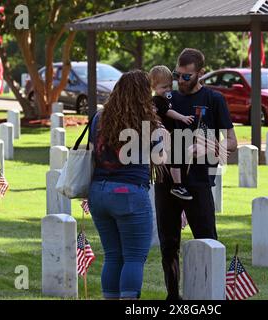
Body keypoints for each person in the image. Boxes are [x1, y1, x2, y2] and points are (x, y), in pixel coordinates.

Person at [155, 48, 238, 300]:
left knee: (207, 239)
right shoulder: (166, 97)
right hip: (166, 181)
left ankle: (211, 295)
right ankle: (173, 297)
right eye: (177, 74)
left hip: (199, 182)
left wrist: (209, 146)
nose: (180, 81)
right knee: (169, 245)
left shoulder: (214, 99)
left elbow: (233, 142)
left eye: (186, 77)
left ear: (201, 73)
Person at [87, 70, 165, 300]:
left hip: (98, 191)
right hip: (129, 193)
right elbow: (160, 157)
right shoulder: (148, 121)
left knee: (112, 256)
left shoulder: (99, 119)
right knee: (133, 257)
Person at [149, 65, 195, 201]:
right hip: (166, 136)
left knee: (177, 159)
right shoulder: (157, 101)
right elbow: (168, 112)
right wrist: (182, 117)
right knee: (175, 160)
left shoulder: (165, 99)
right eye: (164, 87)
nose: (168, 89)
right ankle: (177, 184)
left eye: (169, 86)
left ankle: (177, 183)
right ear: (153, 88)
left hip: (170, 135)